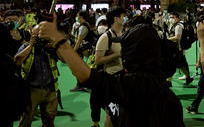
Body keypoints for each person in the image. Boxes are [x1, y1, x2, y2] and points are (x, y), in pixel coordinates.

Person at [37, 11, 185, 126]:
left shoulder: (124, 86)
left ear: (132, 52)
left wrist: (57, 39)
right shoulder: (169, 99)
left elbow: (85, 75)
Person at [14, 25, 61, 127]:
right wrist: (31, 45)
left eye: (42, 35)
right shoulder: (26, 46)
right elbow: (17, 61)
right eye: (37, 36)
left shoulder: (49, 47)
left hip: (50, 89)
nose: (40, 38)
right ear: (32, 35)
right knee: (26, 119)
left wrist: (54, 46)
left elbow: (64, 59)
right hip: (32, 90)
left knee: (49, 120)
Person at [90, 8, 126, 127]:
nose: (124, 18)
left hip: (123, 78)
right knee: (111, 113)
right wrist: (116, 55)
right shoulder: (105, 37)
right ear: (116, 19)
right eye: (122, 16)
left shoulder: (124, 34)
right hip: (110, 80)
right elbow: (97, 60)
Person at [167, 12, 193, 85]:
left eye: (173, 17)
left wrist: (167, 39)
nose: (171, 19)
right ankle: (188, 78)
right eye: (170, 17)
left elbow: (177, 37)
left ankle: (169, 81)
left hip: (177, 49)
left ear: (177, 18)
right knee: (182, 64)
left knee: (172, 64)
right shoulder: (173, 25)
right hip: (176, 49)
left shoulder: (178, 26)